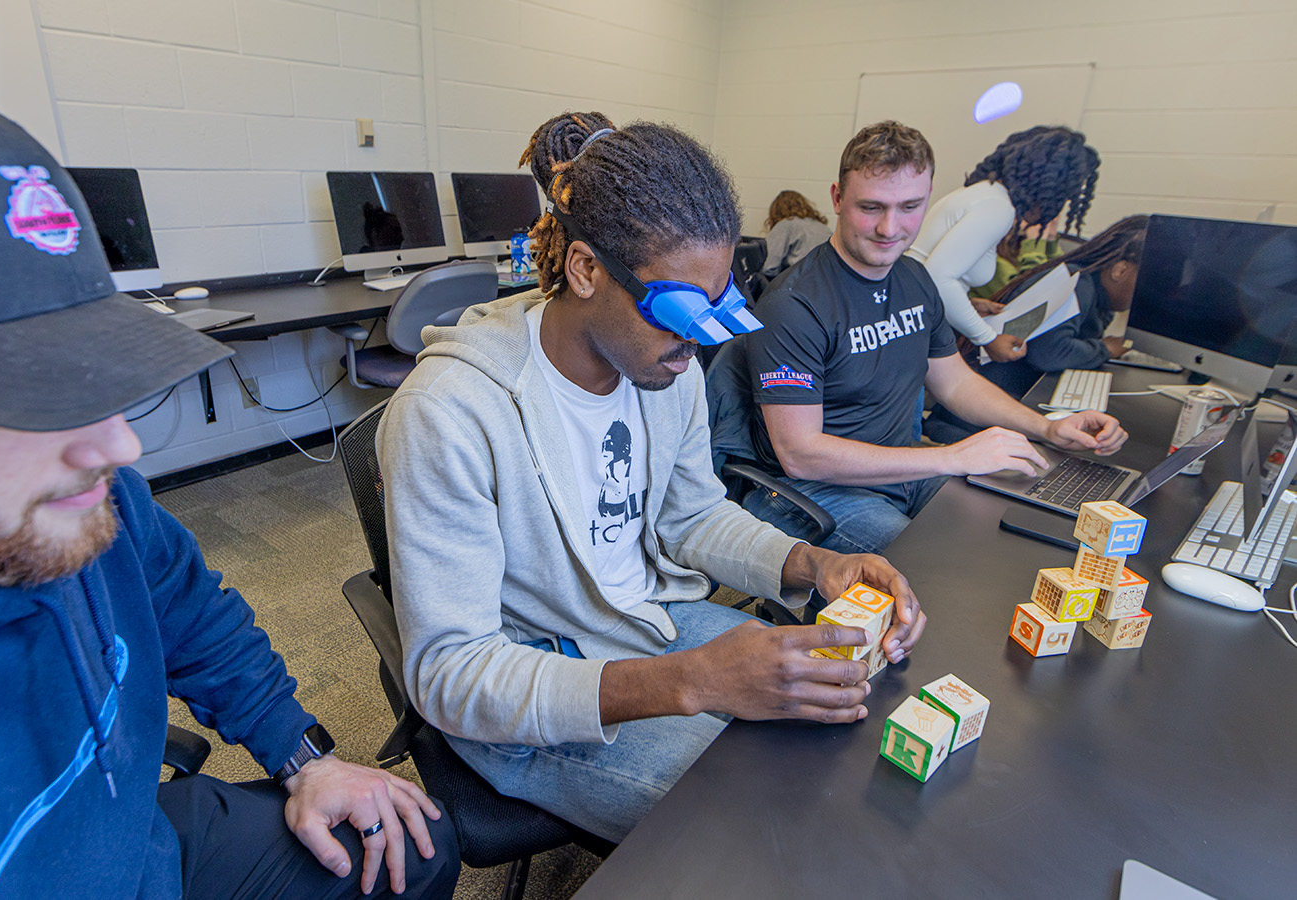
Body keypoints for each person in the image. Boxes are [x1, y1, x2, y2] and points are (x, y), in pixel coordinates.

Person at [0, 61, 457, 900]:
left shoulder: (77, 500)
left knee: (412, 849)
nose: (115, 445)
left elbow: (185, 607)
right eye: (27, 392)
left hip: (136, 842)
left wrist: (303, 756)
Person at [376, 112, 927, 843]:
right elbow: (452, 675)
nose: (698, 338)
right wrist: (691, 680)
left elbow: (692, 517)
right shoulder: (450, 412)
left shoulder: (664, 367)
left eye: (718, 306)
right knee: (775, 814)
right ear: (584, 269)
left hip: (649, 618)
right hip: (535, 681)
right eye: (679, 310)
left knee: (835, 734)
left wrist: (815, 564)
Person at [736, 120, 1128, 555]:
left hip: (903, 469)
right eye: (871, 207)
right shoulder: (794, 303)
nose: (890, 228)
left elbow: (955, 383)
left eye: (909, 206)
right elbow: (800, 454)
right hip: (816, 492)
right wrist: (952, 456)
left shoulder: (916, 280)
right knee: (938, 564)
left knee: (1006, 534)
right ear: (837, 198)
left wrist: (1049, 428)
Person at [925, 216, 1148, 444]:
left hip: (988, 411)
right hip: (972, 422)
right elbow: (1049, 353)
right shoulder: (1078, 283)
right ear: (1119, 270)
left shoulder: (1092, 290)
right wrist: (1104, 350)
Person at [907, 126, 1101, 363]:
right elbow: (937, 277)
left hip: (913, 319)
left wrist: (968, 305)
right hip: (911, 334)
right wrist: (987, 338)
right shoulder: (998, 208)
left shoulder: (980, 194)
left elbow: (930, 277)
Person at [762, 190, 833, 277]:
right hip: (829, 278)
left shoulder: (785, 224)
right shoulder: (823, 227)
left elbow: (770, 268)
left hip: (805, 280)